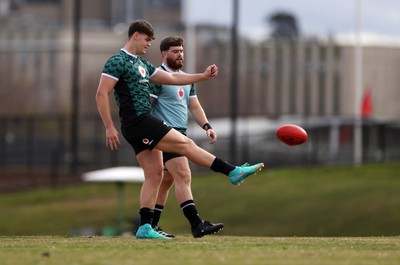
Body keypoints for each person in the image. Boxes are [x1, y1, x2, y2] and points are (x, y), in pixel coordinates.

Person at [95, 20, 264, 240]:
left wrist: (201, 77)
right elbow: (101, 93)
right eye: (147, 40)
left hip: (139, 124)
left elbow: (173, 78)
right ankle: (232, 171)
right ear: (135, 36)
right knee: (186, 145)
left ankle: (145, 227)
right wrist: (109, 126)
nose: (148, 45)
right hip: (138, 121)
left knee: (155, 175)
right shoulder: (117, 62)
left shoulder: (143, 65)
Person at [149, 36, 223, 238]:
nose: (180, 54)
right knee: (183, 174)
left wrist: (206, 126)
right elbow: (147, 106)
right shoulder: (158, 77)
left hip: (180, 132)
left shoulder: (186, 79)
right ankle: (196, 224)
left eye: (181, 51)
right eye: (175, 51)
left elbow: (194, 105)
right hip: (165, 133)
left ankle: (150, 225)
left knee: (166, 180)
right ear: (164, 54)